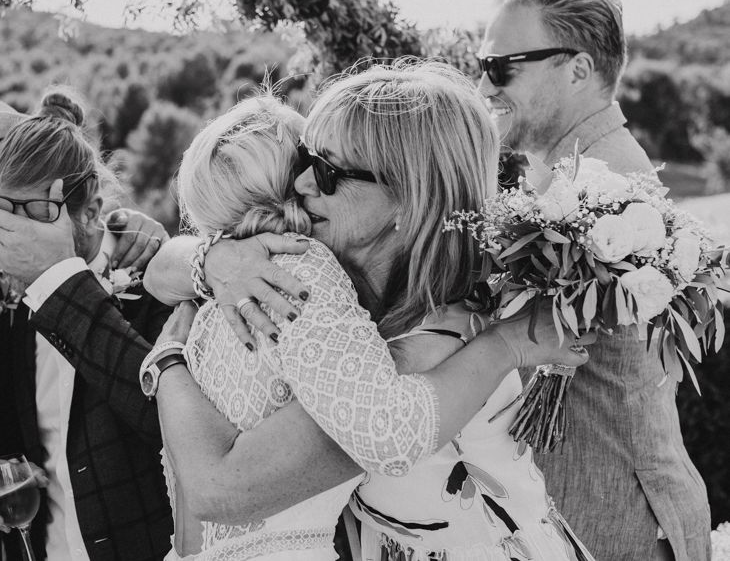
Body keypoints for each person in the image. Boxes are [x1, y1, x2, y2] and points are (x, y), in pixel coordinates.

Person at [145, 60, 594, 561]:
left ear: (409, 195)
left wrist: (168, 362)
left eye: (331, 172)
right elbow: (159, 271)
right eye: (307, 160)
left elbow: (223, 488)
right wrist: (214, 259)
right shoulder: (336, 285)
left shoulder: (435, 338)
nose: (302, 185)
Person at [476, 0, 711, 561]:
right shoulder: (572, 176)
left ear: (578, 70)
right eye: (479, 63)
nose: (483, 83)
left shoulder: (601, 188)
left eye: (503, 66)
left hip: (613, 522)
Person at [0, 88, 174, 560]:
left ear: (92, 213)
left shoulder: (159, 282)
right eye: (4, 213)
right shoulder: (11, 295)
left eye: (33, 213)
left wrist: (59, 278)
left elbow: (168, 423)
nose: (15, 235)